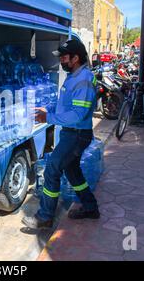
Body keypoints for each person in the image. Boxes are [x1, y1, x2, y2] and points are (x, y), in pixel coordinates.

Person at [21, 39, 99, 230]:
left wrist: (49, 117)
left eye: (65, 57)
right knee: (72, 172)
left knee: (52, 170)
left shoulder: (84, 80)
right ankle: (90, 207)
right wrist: (47, 109)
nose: (62, 60)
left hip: (77, 134)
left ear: (76, 58)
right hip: (70, 134)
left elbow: (77, 115)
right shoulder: (73, 77)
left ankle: (45, 216)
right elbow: (64, 106)